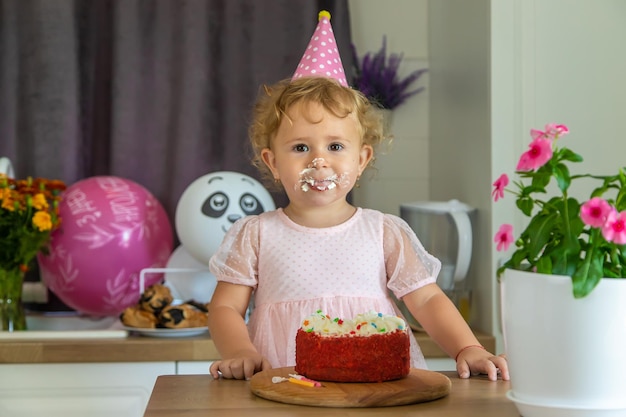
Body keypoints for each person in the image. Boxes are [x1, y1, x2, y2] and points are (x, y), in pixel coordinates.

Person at [207, 10, 508, 382]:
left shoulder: (383, 232)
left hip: (375, 387)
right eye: (300, 147)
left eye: (335, 145)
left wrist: (469, 347)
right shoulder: (256, 234)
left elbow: (427, 301)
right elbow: (224, 307)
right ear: (272, 162)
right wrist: (240, 352)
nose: (319, 160)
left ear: (362, 158)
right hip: (284, 386)